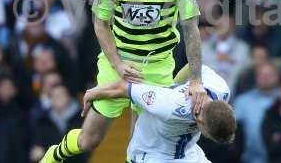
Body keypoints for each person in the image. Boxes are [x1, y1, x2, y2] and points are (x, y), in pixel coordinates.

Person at [40, 0, 207, 162]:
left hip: (157, 68)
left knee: (143, 147)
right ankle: (55, 154)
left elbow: (191, 28)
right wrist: (118, 64)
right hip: (117, 64)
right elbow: (100, 24)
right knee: (88, 141)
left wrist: (195, 80)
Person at [79, 65, 235, 163]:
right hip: (153, 156)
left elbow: (196, 66)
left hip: (189, 154)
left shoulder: (221, 89)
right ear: (201, 121)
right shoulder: (168, 105)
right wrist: (92, 93)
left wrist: (174, 84)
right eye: (210, 135)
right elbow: (123, 88)